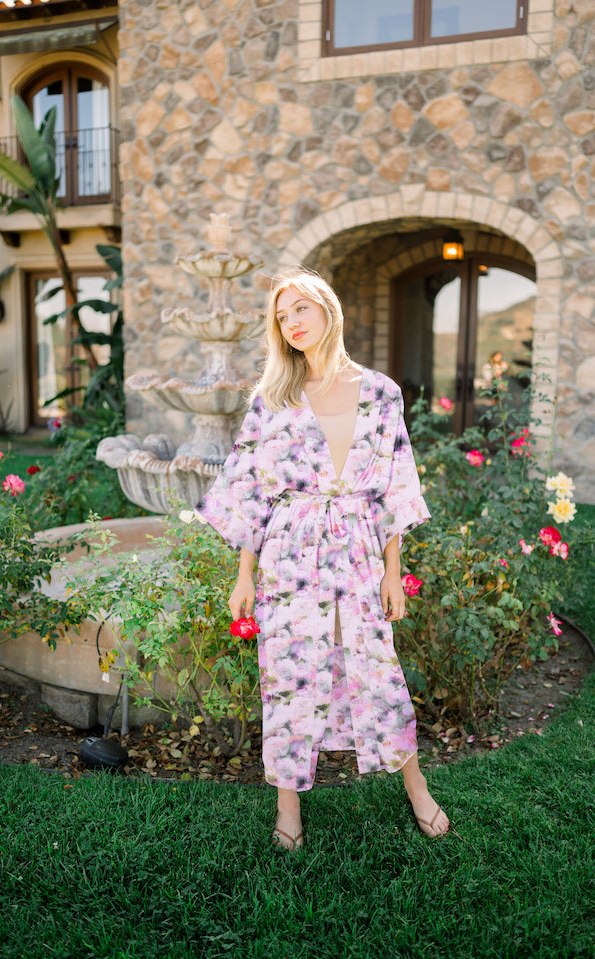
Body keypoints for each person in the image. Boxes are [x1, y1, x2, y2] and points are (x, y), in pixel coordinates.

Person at [196, 269, 450, 849]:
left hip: (360, 549)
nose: (293, 323)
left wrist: (393, 573)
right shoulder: (273, 399)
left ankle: (417, 789)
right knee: (287, 676)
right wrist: (245, 574)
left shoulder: (382, 392)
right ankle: (289, 807)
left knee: (377, 670)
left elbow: (394, 486)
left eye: (301, 309)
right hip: (289, 551)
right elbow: (252, 489)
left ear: (328, 310)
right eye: (282, 317)